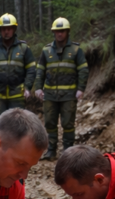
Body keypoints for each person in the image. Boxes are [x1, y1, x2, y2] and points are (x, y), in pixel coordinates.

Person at [32, 17, 89, 160]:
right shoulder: (46, 51)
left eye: (62, 31)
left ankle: (68, 152)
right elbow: (40, 71)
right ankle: (51, 151)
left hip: (69, 94)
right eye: (57, 31)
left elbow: (83, 70)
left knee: (68, 123)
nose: (59, 34)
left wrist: (80, 88)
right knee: (50, 122)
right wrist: (38, 87)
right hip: (50, 94)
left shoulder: (76, 50)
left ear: (67, 32)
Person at [0, 14, 36, 126]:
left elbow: (31, 68)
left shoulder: (23, 48)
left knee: (17, 126)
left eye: (9, 29)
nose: (6, 32)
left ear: (14, 29)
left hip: (17, 94)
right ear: (0, 30)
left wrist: (28, 87)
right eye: (4, 29)